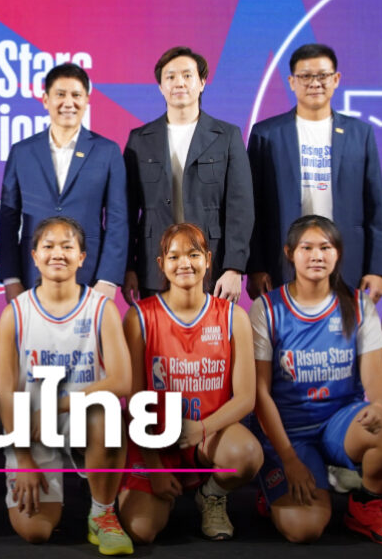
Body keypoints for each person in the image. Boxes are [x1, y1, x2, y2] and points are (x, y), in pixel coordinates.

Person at [251, 215, 382, 546]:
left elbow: (377, 377)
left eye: (325, 247)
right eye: (307, 248)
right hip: (290, 432)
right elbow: (260, 393)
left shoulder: (358, 304)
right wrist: (289, 459)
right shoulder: (266, 308)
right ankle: (276, 485)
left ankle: (366, 505)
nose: (317, 256)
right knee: (304, 529)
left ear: (338, 253)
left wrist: (379, 406)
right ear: (289, 253)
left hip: (340, 424)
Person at [0, 216, 134, 555]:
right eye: (49, 246)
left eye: (67, 247)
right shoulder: (16, 313)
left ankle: (102, 513)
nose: (58, 253)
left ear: (82, 257)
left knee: (107, 416)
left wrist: (56, 405)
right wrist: (23, 458)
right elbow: (6, 395)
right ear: (34, 256)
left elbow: (121, 381)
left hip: (80, 417)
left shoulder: (102, 308)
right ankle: (45, 480)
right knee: (36, 531)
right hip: (32, 427)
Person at [119, 223, 262, 543]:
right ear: (161, 264)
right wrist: (154, 469)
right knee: (141, 531)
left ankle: (211, 494)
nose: (184, 263)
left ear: (208, 260)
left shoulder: (233, 316)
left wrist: (201, 428)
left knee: (247, 454)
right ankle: (158, 488)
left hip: (207, 437)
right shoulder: (139, 317)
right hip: (157, 440)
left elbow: (246, 398)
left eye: (193, 254)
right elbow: (135, 402)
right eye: (174, 256)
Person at [247, 43, 382, 302]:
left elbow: (375, 207)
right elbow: (252, 207)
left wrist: (377, 269)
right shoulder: (266, 134)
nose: (315, 83)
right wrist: (255, 267)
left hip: (347, 261)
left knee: (346, 325)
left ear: (336, 79)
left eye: (323, 75)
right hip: (282, 261)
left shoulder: (360, 134)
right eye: (305, 76)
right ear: (292, 82)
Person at [123, 46, 253, 302]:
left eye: (187, 75)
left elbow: (241, 208)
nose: (179, 83)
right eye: (170, 77)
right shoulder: (140, 140)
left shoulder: (227, 136)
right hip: (154, 267)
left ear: (202, 83)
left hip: (212, 266)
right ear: (161, 87)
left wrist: (234, 268)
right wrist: (128, 267)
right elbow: (126, 211)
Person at [0, 62, 127, 303]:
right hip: (31, 275)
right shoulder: (22, 152)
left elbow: (118, 220)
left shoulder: (107, 152)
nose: (69, 103)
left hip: (90, 277)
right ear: (46, 100)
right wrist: (11, 278)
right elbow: (8, 220)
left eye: (76, 95)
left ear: (87, 100)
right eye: (60, 94)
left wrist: (108, 279)